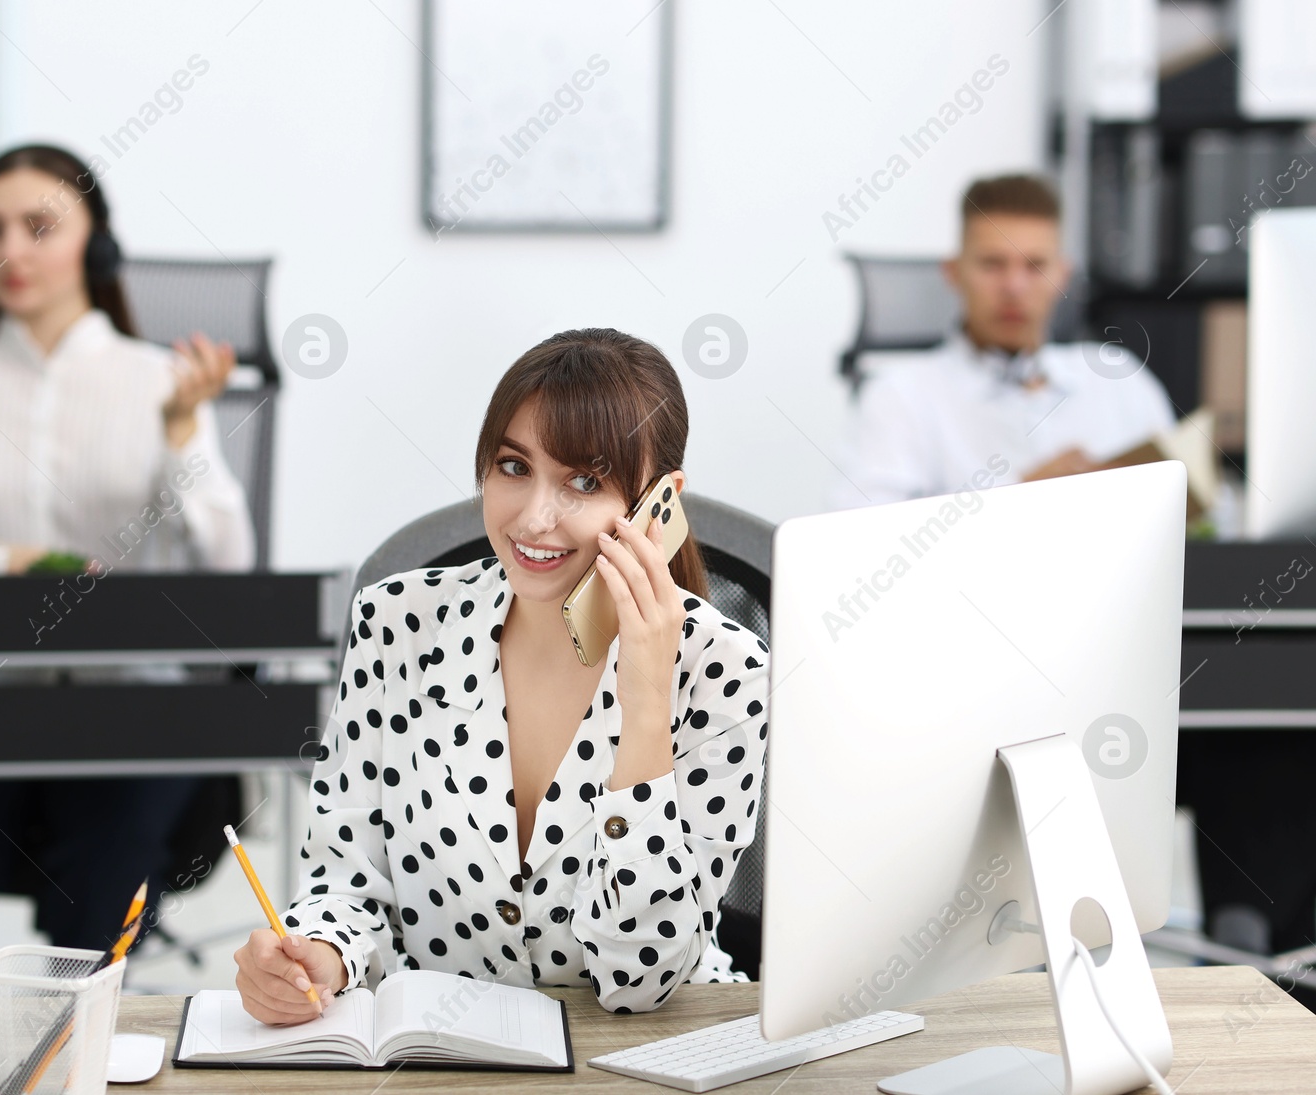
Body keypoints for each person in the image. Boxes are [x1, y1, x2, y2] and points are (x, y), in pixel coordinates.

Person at [233, 329, 769, 1021]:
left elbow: (641, 980)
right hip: (443, 1051)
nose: (535, 516)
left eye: (584, 481)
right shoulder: (398, 622)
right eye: (514, 467)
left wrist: (646, 706)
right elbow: (347, 882)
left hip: (645, 1056)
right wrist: (319, 954)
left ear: (658, 503)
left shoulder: (726, 669)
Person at [0, 145, 251, 997]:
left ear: (97, 246)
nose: (10, 250)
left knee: (89, 942)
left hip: (127, 709)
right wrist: (0, 561)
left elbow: (229, 564)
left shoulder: (159, 381)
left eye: (39, 226)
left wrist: (185, 433)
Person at [829, 173, 1176, 510]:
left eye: (1035, 266)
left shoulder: (1118, 378)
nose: (1014, 287)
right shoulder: (900, 396)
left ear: (1063, 276)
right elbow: (857, 544)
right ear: (953, 272)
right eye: (993, 264)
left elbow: (1203, 518)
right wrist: (1019, 496)